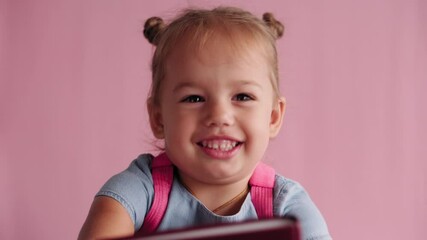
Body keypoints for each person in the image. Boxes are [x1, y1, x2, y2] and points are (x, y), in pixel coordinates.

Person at [79, 6, 331, 240]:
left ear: (273, 117)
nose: (219, 115)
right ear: (158, 118)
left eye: (242, 97)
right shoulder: (143, 189)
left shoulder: (286, 206)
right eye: (194, 98)